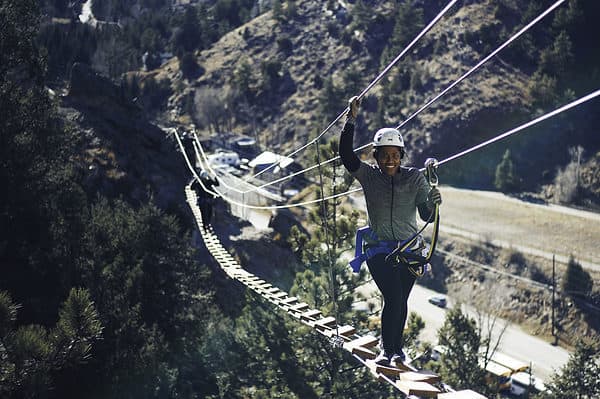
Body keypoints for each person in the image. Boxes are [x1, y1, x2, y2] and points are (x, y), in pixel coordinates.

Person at [339, 96, 442, 366]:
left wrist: (433, 201)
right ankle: (388, 350)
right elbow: (346, 156)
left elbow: (426, 216)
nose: (390, 160)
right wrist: (351, 119)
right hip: (379, 250)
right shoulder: (369, 176)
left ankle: (397, 350)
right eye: (384, 155)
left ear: (402, 156)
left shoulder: (415, 178)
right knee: (394, 296)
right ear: (376, 156)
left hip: (410, 251)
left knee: (400, 300)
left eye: (395, 155)